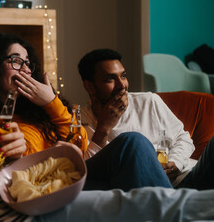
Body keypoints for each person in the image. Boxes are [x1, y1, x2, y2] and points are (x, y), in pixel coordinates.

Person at [0, 36, 214, 222]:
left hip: (41, 192)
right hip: (29, 204)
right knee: (144, 193)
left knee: (145, 187)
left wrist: (1, 155)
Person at [78, 48, 214, 190]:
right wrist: (103, 128)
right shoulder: (80, 122)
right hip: (150, 191)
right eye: (110, 79)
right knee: (133, 140)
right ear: (90, 87)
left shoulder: (148, 101)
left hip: (187, 178)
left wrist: (176, 163)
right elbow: (86, 172)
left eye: (123, 76)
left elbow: (183, 137)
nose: (122, 85)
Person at [0, 32, 89, 156]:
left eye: (27, 63)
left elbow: (81, 145)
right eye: (16, 61)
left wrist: (51, 102)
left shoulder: (39, 109)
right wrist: (51, 155)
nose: (26, 70)